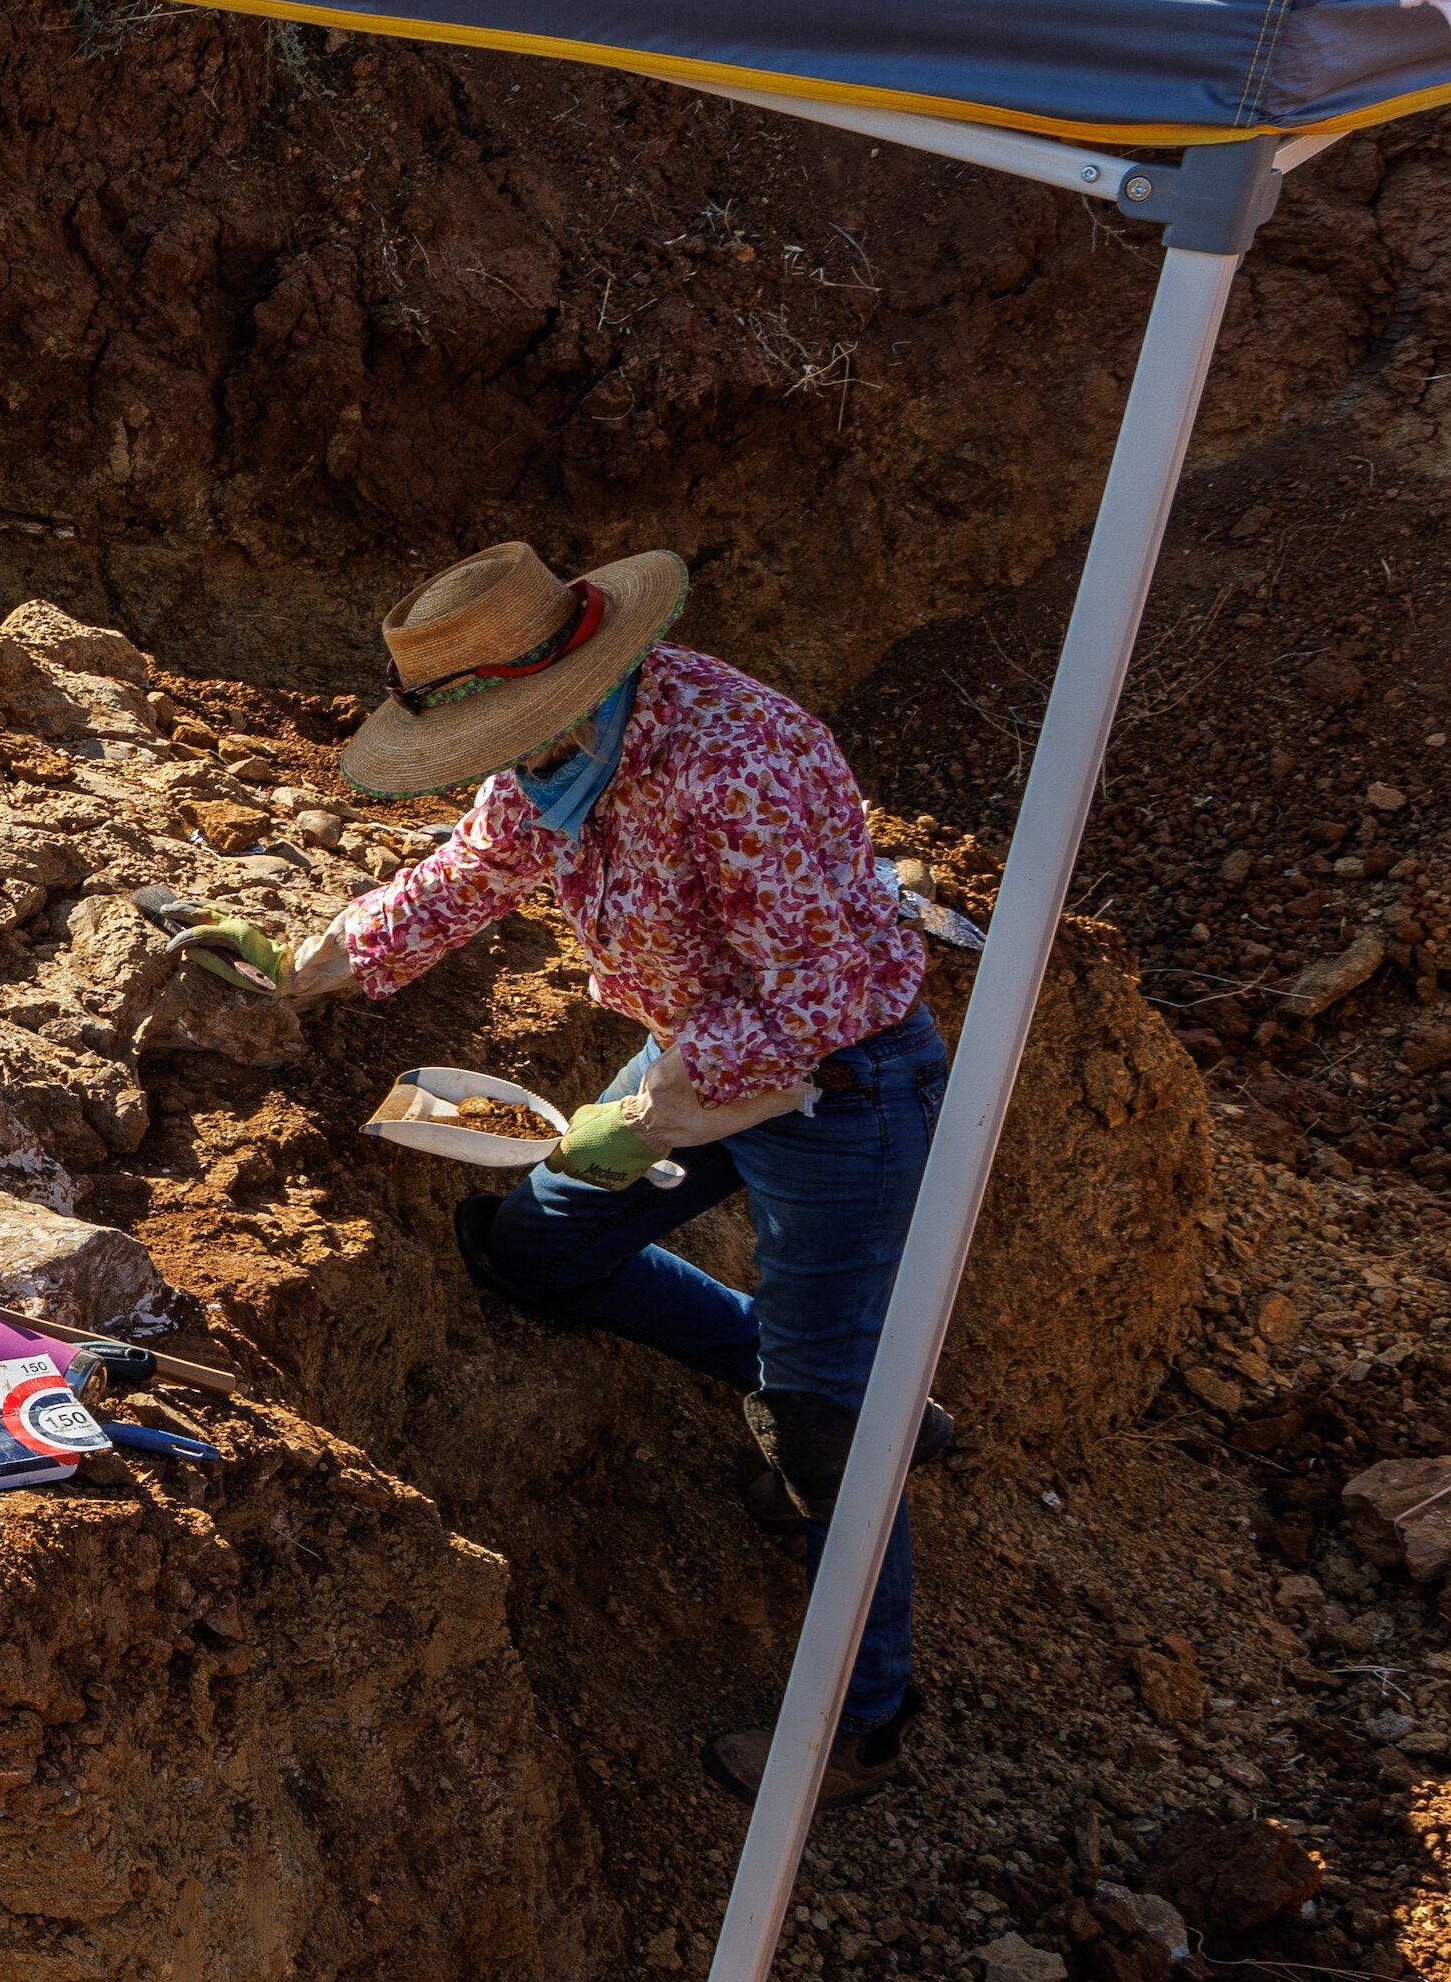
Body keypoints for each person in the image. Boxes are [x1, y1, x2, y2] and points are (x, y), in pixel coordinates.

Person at [180, 542, 951, 1806]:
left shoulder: (725, 762)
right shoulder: (556, 754)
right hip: (694, 1051)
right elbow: (469, 875)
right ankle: (856, 1400)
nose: (495, 759)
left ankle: (859, 1724)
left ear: (569, 678)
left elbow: (836, 988)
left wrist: (655, 1120)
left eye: (504, 731)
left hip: (836, 1091)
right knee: (535, 1248)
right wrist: (303, 967)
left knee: (818, 1440)